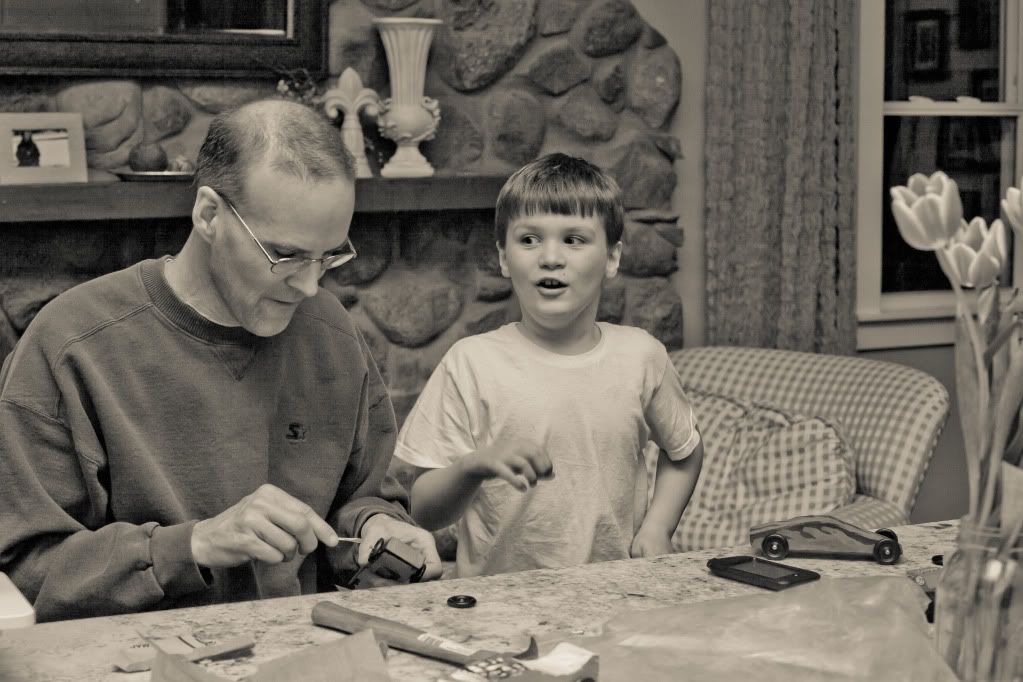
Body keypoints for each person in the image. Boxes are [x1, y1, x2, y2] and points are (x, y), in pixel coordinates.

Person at [0, 98, 441, 622]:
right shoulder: (72, 345)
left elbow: (365, 496)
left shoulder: (331, 333)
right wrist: (193, 546)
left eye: (329, 255)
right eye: (285, 255)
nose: (309, 285)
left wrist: (376, 529)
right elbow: (27, 569)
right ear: (209, 214)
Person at [393, 153, 704, 577]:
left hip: (614, 594)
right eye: (529, 240)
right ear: (504, 258)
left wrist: (658, 526)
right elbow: (425, 511)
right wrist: (472, 466)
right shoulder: (471, 364)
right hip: (499, 607)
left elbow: (684, 450)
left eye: (574, 239)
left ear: (612, 258)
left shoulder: (642, 356)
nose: (550, 257)